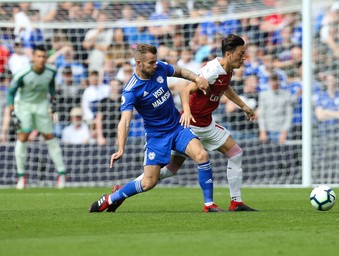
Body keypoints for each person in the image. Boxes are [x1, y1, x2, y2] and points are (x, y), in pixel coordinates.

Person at [88, 43, 220, 213]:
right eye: (151, 62)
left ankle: (209, 205)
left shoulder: (160, 69)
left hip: (177, 127)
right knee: (149, 182)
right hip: (157, 136)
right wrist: (121, 148)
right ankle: (112, 198)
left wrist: (196, 78)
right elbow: (125, 121)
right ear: (138, 63)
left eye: (155, 61)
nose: (155, 65)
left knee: (202, 155)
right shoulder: (131, 90)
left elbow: (180, 71)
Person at [134, 34, 257, 211]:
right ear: (229, 54)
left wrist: (243, 106)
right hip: (191, 125)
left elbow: (225, 88)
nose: (243, 57)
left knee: (235, 153)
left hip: (207, 124)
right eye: (240, 53)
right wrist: (188, 112)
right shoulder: (212, 70)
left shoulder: (227, 69)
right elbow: (185, 91)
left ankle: (236, 202)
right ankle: (132, 186)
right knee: (170, 169)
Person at [6, 45, 66, 189]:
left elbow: (51, 87)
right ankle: (21, 177)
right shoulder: (23, 73)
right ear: (33, 57)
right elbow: (11, 92)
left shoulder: (51, 71)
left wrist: (53, 101)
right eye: (38, 56)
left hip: (41, 105)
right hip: (24, 105)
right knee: (23, 136)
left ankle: (61, 174)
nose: (41, 59)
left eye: (44, 56)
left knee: (49, 137)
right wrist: (12, 111)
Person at [258, 72, 292, 144]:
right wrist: (262, 131)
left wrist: (284, 132)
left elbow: (289, 115)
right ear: (269, 82)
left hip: (281, 132)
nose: (274, 83)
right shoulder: (263, 95)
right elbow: (261, 115)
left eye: (276, 80)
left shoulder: (286, 94)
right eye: (272, 80)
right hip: (267, 132)